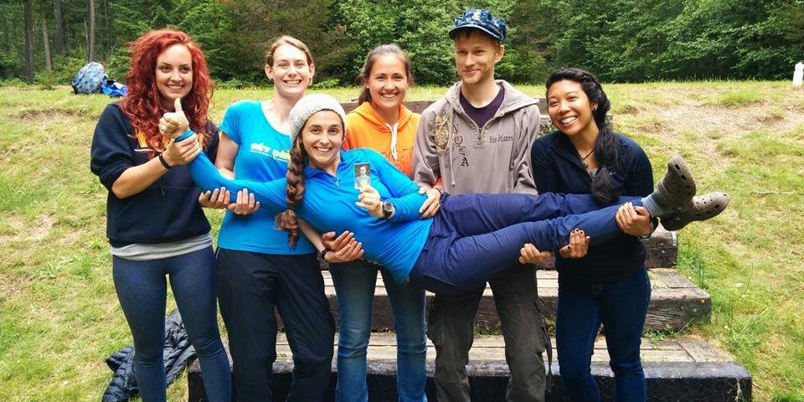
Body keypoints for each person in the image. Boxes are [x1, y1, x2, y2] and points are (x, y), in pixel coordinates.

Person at [161, 94, 729, 301]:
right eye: (316, 131)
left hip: (448, 214)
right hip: (431, 260)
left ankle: (661, 205)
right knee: (539, 231)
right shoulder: (290, 188)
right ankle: (658, 210)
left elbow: (417, 198)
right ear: (301, 139)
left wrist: (389, 209)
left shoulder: (364, 159)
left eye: (334, 129)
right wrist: (186, 136)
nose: (328, 139)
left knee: (541, 205)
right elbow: (223, 184)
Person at [524, 68, 728, 402]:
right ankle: (673, 206)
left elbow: (646, 228)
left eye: (571, 98)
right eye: (553, 103)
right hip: (577, 277)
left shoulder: (629, 153)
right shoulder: (545, 151)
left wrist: (644, 228)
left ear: (594, 102)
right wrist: (564, 248)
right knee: (573, 371)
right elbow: (554, 212)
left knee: (627, 364)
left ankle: (666, 206)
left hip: (625, 277)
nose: (562, 109)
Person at [199, 36, 353, 402]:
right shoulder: (242, 114)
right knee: (253, 357)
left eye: (300, 63)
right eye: (282, 64)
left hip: (298, 252)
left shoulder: (323, 127)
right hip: (243, 250)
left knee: (316, 350)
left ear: (311, 72)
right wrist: (233, 196)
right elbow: (222, 167)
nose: (292, 71)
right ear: (269, 70)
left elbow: (328, 190)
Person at [411, 9, 548, 402]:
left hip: (512, 245)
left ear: (498, 54)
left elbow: (529, 184)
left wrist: (526, 236)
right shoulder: (436, 116)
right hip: (455, 248)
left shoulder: (524, 113)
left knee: (527, 357)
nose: (468, 61)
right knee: (448, 357)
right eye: (461, 52)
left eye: (479, 51)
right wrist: (430, 199)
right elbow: (421, 180)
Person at [89, 29, 231, 402]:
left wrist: (214, 198)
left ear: (194, 74)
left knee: (208, 343)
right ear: (149, 70)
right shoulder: (118, 118)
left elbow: (207, 186)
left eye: (184, 68)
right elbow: (119, 185)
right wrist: (167, 158)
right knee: (149, 351)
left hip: (191, 249)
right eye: (165, 68)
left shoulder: (202, 126)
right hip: (135, 255)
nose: (176, 76)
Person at [330, 44, 432, 402]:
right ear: (367, 81)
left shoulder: (421, 125)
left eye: (397, 77)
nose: (389, 85)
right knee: (355, 336)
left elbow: (432, 181)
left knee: (413, 334)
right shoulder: (349, 125)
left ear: (409, 81)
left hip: (405, 243)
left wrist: (434, 191)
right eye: (381, 77)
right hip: (355, 246)